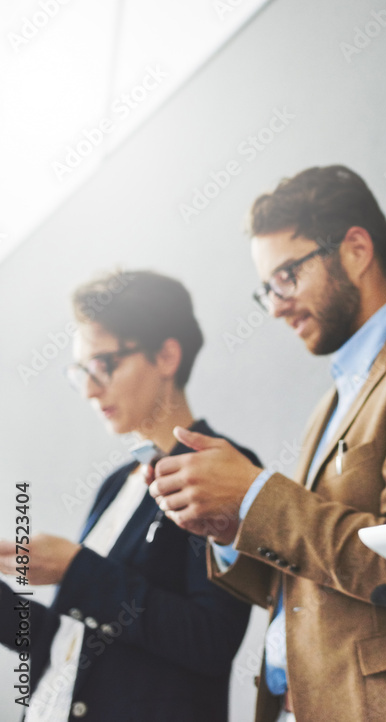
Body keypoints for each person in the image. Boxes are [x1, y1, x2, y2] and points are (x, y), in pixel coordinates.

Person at [148, 166, 386, 721]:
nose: (276, 305)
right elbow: (315, 579)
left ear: (355, 249)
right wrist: (232, 528)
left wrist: (256, 496)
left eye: (287, 276)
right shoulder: (328, 405)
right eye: (267, 289)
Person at [0, 270, 254, 721]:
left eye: (104, 364)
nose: (91, 389)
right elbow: (73, 645)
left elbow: (210, 640)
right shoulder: (117, 482)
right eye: (81, 371)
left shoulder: (218, 468)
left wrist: (75, 568)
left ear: (166, 355)